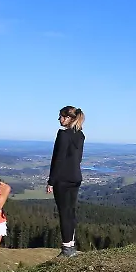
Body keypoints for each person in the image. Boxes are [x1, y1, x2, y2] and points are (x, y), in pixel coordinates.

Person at [47, 105, 86, 258]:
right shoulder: (80, 135)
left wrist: (51, 181)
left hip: (62, 179)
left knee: (64, 213)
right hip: (76, 177)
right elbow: (78, 159)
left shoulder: (63, 135)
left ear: (69, 118)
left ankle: (66, 249)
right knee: (70, 212)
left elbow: (58, 159)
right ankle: (71, 246)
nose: (59, 119)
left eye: (62, 116)